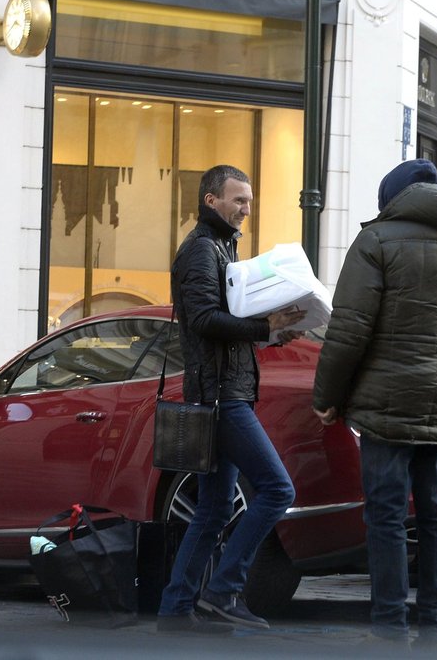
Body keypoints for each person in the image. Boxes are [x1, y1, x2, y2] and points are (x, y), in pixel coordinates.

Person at [312, 158, 437, 649]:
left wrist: (327, 397)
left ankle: (389, 625)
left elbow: (348, 331)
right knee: (436, 513)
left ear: (391, 200)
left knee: (387, 514)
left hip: (384, 403)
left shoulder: (375, 242)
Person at [157, 164, 306, 635]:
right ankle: (222, 592)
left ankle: (176, 610)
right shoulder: (202, 250)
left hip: (225, 393)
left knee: (215, 509)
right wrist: (266, 327)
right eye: (238, 200)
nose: (246, 208)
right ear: (210, 200)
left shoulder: (224, 247)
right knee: (278, 490)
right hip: (221, 399)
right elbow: (202, 320)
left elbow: (225, 326)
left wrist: (271, 333)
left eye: (249, 200)